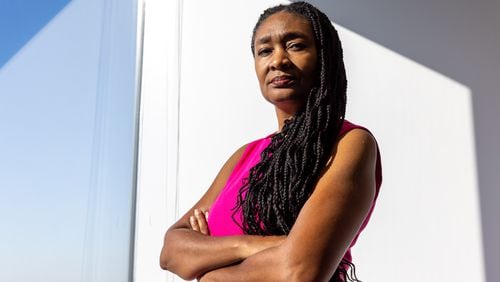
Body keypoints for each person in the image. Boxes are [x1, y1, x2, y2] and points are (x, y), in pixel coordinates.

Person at [160, 2, 382, 281]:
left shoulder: (348, 144)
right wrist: (253, 244)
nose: (278, 60)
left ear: (325, 58)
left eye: (296, 45)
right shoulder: (246, 155)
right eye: (265, 50)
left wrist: (208, 272)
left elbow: (298, 272)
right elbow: (171, 251)